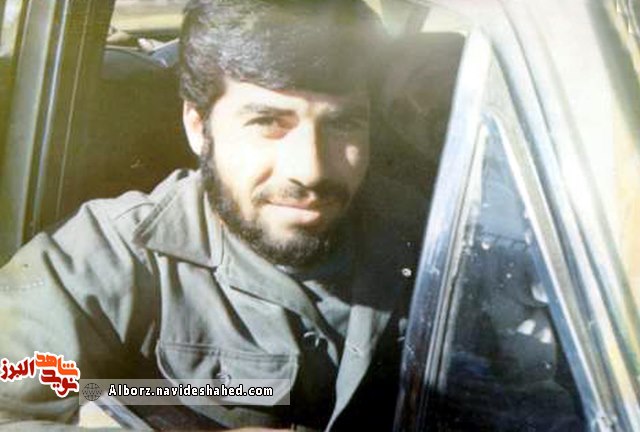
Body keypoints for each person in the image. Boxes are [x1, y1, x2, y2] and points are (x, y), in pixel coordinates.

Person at [0, 0, 424, 430]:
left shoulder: (430, 236)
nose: (311, 170)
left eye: (342, 124)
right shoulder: (109, 258)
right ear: (198, 127)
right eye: (267, 122)